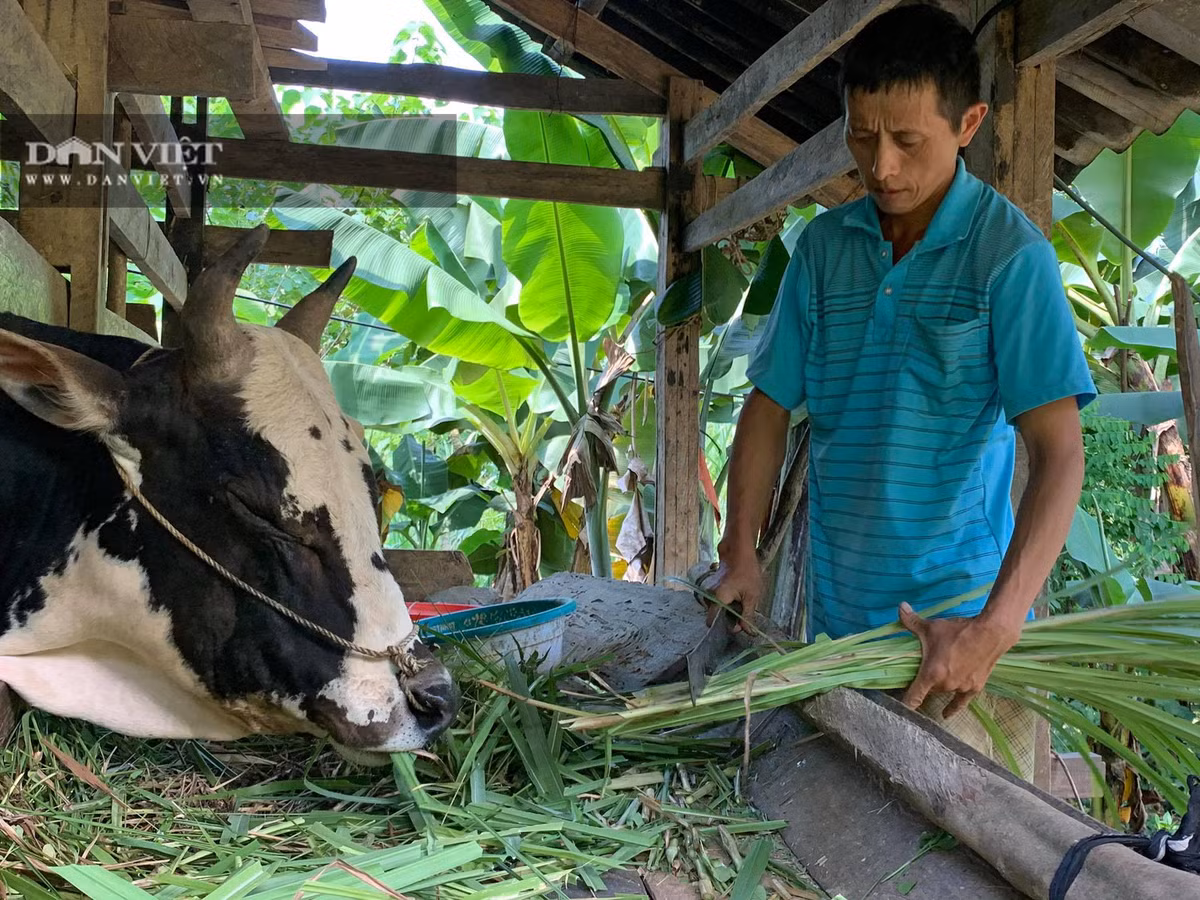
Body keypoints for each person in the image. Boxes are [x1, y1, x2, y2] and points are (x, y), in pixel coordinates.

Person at [709, 2, 1096, 775]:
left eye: (907, 140)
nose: (880, 165)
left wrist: (994, 629)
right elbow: (768, 407)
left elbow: (1060, 457)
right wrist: (740, 552)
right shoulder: (822, 250)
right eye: (862, 134)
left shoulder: (1009, 258)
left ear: (970, 122)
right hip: (839, 635)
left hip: (954, 650)